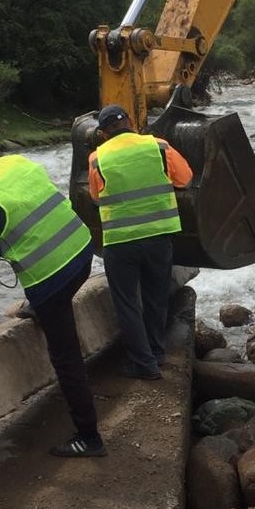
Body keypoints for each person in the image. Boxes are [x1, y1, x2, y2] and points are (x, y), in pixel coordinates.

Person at [0, 140, 106, 458]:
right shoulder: (17, 163)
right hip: (83, 249)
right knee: (52, 306)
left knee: (66, 357)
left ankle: (89, 437)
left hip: (50, 278)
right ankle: (39, 308)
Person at [89, 104, 192, 380]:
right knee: (156, 297)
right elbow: (185, 179)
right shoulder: (159, 146)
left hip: (120, 242)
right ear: (131, 121)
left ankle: (144, 365)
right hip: (158, 237)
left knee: (127, 304)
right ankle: (157, 353)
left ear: (103, 132)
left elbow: (96, 197)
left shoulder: (96, 159)